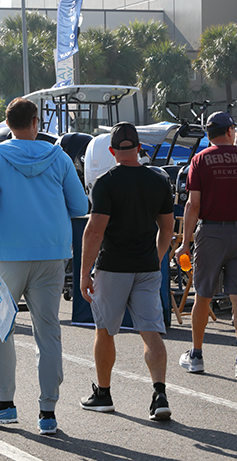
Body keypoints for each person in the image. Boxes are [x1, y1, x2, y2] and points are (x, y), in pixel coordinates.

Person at [0, 97, 89, 436]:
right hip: (52, 254)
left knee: (2, 325)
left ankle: (5, 404)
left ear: (8, 125)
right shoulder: (59, 156)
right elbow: (80, 206)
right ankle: (47, 411)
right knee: (48, 331)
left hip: (7, 254)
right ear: (36, 122)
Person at [79, 122, 175, 421]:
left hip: (114, 266)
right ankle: (159, 394)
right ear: (139, 148)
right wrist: (155, 257)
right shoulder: (159, 180)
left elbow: (95, 231)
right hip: (146, 266)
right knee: (151, 331)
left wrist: (84, 273)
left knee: (105, 330)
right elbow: (168, 228)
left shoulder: (106, 182)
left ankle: (104, 393)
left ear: (112, 151)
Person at [174, 112, 237, 380]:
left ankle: (196, 355)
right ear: (230, 131)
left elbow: (193, 205)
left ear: (208, 134)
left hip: (212, 234)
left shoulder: (200, 159)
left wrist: (184, 242)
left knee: (202, 295)